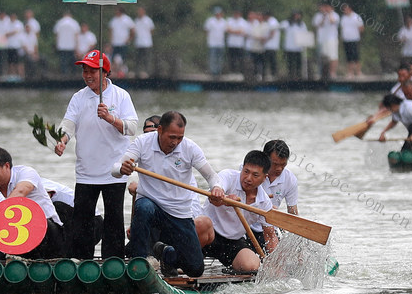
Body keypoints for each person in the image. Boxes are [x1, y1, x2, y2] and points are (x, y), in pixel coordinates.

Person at [115, 110, 223, 277]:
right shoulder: (142, 142)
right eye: (172, 137)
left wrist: (216, 188)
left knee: (195, 269)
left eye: (179, 137)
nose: (176, 142)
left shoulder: (190, 148)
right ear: (160, 130)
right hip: (151, 205)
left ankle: (166, 254)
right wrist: (122, 168)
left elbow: (211, 176)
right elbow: (116, 169)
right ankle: (139, 263)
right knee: (143, 207)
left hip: (179, 212)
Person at [53, 50, 138, 259]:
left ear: (105, 72)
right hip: (86, 171)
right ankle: (82, 261)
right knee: (82, 220)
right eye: (84, 70)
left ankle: (113, 262)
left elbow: (132, 127)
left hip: (114, 170)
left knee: (114, 219)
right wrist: (62, 141)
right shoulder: (78, 97)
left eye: (92, 70)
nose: (87, 75)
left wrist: (110, 118)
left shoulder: (121, 95)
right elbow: (68, 124)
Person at [195, 149, 277, 273]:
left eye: (255, 175)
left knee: (252, 267)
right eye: (246, 172)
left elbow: (270, 235)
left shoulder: (264, 203)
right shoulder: (228, 176)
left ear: (264, 178)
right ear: (242, 168)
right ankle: (185, 259)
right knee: (201, 222)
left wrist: (275, 266)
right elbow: (214, 199)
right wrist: (223, 198)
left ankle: (231, 269)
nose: (248, 178)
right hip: (208, 234)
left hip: (233, 242)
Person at [0, 147, 64, 258]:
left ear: (6, 166)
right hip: (19, 238)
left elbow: (21, 191)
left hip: (49, 232)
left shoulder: (25, 172)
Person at [263, 139, 298, 215]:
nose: (279, 169)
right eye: (275, 164)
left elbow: (293, 211)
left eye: (283, 164)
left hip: (270, 222)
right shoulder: (249, 171)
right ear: (265, 159)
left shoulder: (290, 179)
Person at [312, 2, 339, 80]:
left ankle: (332, 73)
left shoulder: (335, 15)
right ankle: (321, 73)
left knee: (333, 56)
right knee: (321, 57)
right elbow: (316, 25)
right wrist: (323, 17)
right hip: (321, 39)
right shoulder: (318, 16)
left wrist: (329, 14)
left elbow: (332, 21)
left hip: (332, 39)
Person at [339, 4, 364, 77]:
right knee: (348, 56)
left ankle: (359, 72)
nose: (345, 11)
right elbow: (342, 28)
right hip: (346, 39)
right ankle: (350, 73)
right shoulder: (343, 18)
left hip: (354, 39)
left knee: (356, 56)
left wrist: (356, 35)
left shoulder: (356, 17)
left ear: (350, 9)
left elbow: (361, 28)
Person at [281, 11, 307, 79]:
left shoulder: (302, 24)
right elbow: (281, 26)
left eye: (298, 15)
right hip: (289, 46)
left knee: (298, 62)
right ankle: (290, 75)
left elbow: (305, 34)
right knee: (290, 62)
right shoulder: (287, 23)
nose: (297, 17)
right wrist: (289, 21)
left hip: (298, 47)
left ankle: (299, 75)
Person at [53, 11, 80, 76]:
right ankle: (73, 73)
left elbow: (56, 34)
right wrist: (77, 45)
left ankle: (64, 74)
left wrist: (57, 43)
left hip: (62, 45)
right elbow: (76, 35)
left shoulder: (59, 23)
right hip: (71, 45)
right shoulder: (74, 23)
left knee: (63, 61)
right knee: (72, 60)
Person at [204, 6, 227, 78]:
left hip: (221, 43)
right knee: (212, 58)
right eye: (217, 13)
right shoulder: (210, 21)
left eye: (220, 13)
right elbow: (206, 30)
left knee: (220, 58)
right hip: (212, 43)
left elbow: (226, 31)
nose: (218, 14)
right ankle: (213, 72)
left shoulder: (224, 21)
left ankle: (218, 72)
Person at [224, 9, 248, 75]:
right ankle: (232, 72)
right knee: (231, 59)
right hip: (231, 44)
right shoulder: (229, 20)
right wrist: (237, 31)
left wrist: (232, 31)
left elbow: (242, 32)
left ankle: (240, 72)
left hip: (239, 44)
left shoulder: (243, 22)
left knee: (240, 59)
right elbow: (227, 30)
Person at [133, 6, 155, 78]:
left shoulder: (148, 20)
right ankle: (137, 72)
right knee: (138, 59)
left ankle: (148, 72)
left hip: (146, 43)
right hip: (138, 43)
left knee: (147, 59)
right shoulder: (136, 20)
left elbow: (152, 30)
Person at [261, 11, 281, 81]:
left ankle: (273, 74)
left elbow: (272, 33)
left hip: (271, 45)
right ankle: (266, 75)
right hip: (268, 46)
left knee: (271, 61)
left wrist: (265, 40)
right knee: (266, 61)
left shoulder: (273, 21)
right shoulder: (269, 22)